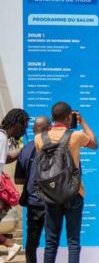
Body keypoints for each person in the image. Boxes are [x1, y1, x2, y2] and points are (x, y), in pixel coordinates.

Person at [35, 102, 98, 263]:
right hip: (73, 193)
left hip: (51, 194)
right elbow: (94, 143)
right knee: (73, 242)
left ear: (52, 117)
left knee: (51, 242)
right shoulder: (75, 136)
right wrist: (82, 121)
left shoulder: (39, 139)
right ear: (69, 117)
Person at [15, 116, 51, 263]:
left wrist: (31, 179)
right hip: (52, 201)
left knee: (32, 241)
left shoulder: (26, 149)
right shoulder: (55, 147)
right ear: (49, 129)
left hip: (33, 202)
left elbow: (17, 179)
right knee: (51, 241)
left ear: (34, 129)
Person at [0, 108, 30, 262]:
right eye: (24, 125)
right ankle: (10, 244)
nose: (25, 129)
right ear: (16, 124)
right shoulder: (2, 137)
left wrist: (23, 150)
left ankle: (10, 245)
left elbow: (6, 158)